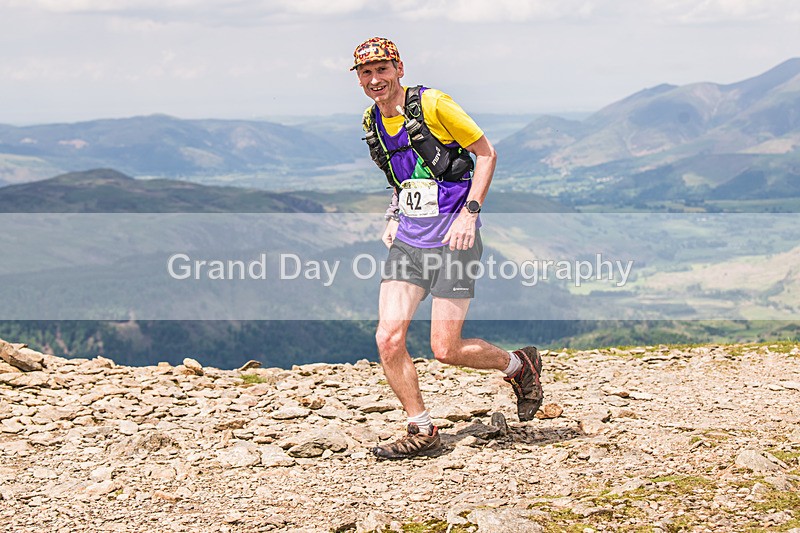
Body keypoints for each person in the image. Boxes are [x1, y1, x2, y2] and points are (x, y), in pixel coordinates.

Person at [351, 37, 543, 459]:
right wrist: (394, 213)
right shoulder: (372, 120)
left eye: (382, 69)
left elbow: (486, 154)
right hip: (409, 242)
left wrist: (469, 214)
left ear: (399, 68)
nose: (375, 79)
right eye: (366, 73)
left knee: (446, 350)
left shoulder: (433, 104)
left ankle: (518, 365)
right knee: (388, 338)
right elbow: (404, 178)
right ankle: (422, 429)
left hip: (455, 242)